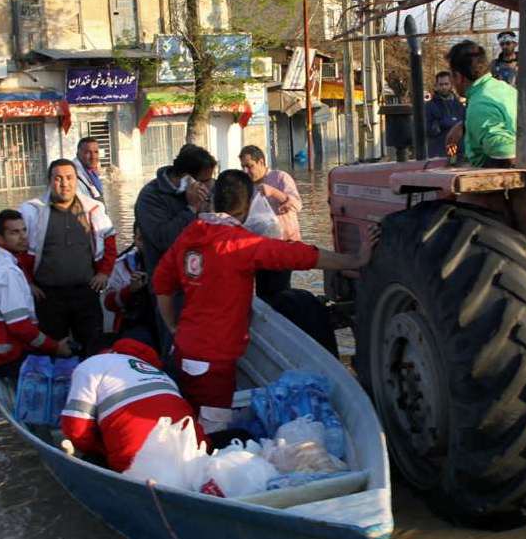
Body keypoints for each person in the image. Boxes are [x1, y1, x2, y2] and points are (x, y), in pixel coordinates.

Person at [152, 169, 375, 432]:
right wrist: (354, 260)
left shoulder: (188, 236)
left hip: (183, 350)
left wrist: (173, 328)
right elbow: (299, 255)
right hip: (215, 362)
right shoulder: (242, 244)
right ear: (247, 208)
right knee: (213, 431)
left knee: (190, 414)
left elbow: (161, 286)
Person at [60, 337, 206, 472]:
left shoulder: (93, 363)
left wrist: (101, 450)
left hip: (135, 461)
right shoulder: (161, 374)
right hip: (196, 455)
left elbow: (75, 428)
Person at [20, 159, 117, 356]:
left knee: (93, 346)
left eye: (69, 178)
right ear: (49, 182)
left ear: (76, 180)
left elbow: (109, 239)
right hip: (48, 296)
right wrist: (28, 283)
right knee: (54, 350)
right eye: (58, 178)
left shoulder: (93, 209)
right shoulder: (32, 211)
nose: (64, 183)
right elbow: (19, 250)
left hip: (86, 292)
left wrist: (104, 273)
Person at [0, 209, 71, 378]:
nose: (23, 236)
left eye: (24, 230)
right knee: (67, 368)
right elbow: (20, 326)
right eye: (14, 232)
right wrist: (56, 347)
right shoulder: (8, 272)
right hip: (4, 357)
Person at [134, 143, 218, 277]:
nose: (210, 185)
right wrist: (191, 208)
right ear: (187, 179)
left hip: (203, 278)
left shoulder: (208, 191)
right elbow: (163, 240)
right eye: (205, 181)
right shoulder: (150, 196)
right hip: (169, 284)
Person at [443, 39, 517, 167]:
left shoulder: (479, 104)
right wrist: (465, 125)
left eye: (451, 77)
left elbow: (504, 151)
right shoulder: (505, 89)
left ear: (459, 77)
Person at [238, 144, 301, 242]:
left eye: (250, 166)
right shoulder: (246, 186)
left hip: (288, 241)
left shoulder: (280, 177)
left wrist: (274, 192)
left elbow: (297, 205)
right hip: (262, 243)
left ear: (261, 162)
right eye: (243, 167)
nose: (246, 171)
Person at [102, 222, 151, 346]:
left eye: (149, 238)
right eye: (141, 239)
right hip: (133, 326)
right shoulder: (121, 265)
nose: (146, 244)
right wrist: (130, 290)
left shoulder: (174, 263)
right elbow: (108, 303)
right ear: (134, 239)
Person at [425, 70, 466, 158]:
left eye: (446, 84)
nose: (444, 87)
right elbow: (427, 129)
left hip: (460, 153)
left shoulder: (459, 105)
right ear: (436, 86)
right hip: (439, 153)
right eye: (441, 84)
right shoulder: (429, 106)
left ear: (451, 85)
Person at [73, 136, 106, 204]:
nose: (93, 157)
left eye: (96, 152)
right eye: (88, 152)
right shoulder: (74, 177)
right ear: (78, 154)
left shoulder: (91, 173)